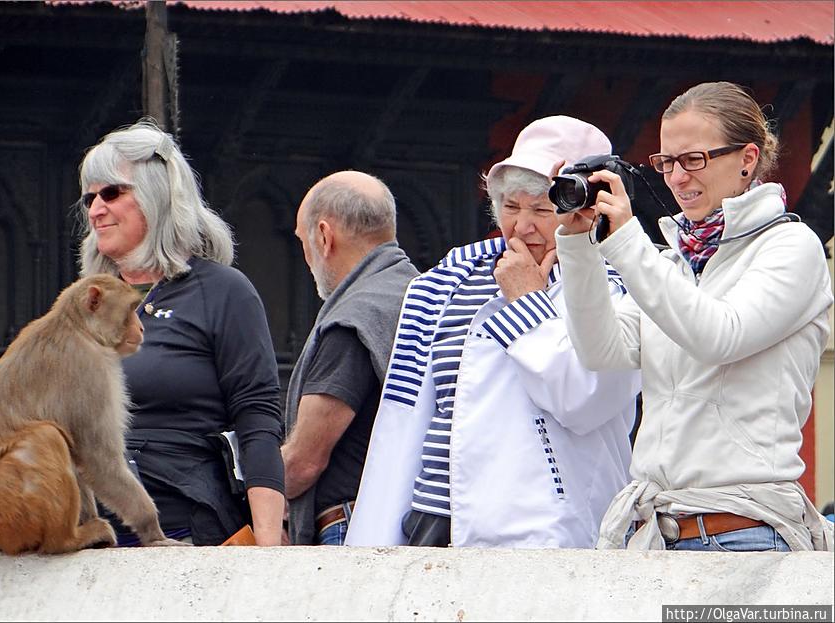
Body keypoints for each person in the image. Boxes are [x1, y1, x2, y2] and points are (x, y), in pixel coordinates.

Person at [554, 81, 834, 551]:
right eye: (665, 163)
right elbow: (601, 350)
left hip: (746, 530)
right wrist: (580, 246)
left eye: (694, 160)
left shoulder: (791, 247)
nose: (677, 178)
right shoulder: (671, 260)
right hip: (657, 532)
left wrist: (627, 242)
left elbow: (719, 335)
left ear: (747, 159)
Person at [345, 117, 642, 548]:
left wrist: (526, 301)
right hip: (431, 524)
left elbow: (585, 400)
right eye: (510, 207)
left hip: (545, 536)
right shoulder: (446, 281)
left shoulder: (619, 284)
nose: (522, 226)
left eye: (542, 209)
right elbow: (405, 421)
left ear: (585, 208)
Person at [77, 119, 285, 546]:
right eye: (89, 198)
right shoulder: (85, 305)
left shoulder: (224, 291)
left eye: (111, 193)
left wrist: (268, 550)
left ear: (157, 198)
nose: (95, 209)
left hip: (182, 531)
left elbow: (257, 416)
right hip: (87, 536)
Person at [283, 170, 419, 545]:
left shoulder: (353, 320)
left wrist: (249, 492)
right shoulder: (423, 295)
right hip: (412, 524)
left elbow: (303, 462)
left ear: (324, 237)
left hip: (352, 527)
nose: (306, 255)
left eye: (303, 241)